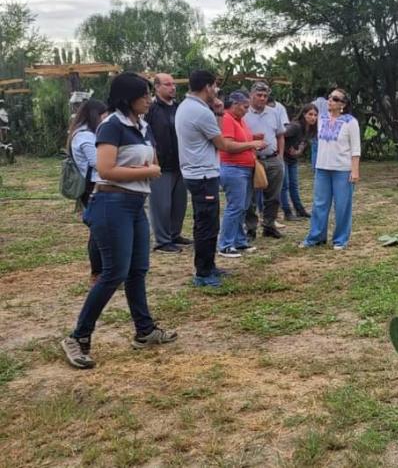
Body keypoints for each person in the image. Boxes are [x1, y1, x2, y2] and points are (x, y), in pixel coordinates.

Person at [61, 72, 176, 369]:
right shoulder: (112, 125)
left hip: (136, 204)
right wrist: (147, 172)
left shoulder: (142, 125)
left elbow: (152, 161)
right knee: (113, 273)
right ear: (128, 97)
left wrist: (149, 168)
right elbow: (106, 169)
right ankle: (78, 336)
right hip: (112, 203)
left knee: (137, 270)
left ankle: (145, 331)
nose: (149, 100)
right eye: (144, 95)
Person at [176, 70, 264, 287]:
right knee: (206, 226)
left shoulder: (186, 107)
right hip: (203, 174)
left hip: (195, 171)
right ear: (207, 87)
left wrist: (216, 111)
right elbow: (222, 144)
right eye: (214, 86)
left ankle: (208, 266)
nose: (216, 90)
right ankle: (204, 273)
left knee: (205, 223)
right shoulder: (199, 111)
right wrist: (252, 144)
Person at [300, 88, 360, 250]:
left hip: (342, 169)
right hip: (322, 168)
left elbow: (355, 149)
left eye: (335, 98)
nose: (330, 101)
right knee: (319, 204)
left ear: (343, 104)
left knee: (342, 205)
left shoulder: (350, 122)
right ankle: (316, 237)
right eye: (329, 97)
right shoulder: (322, 118)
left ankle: (340, 239)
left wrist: (354, 171)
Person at [146, 73, 190, 253]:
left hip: (180, 164)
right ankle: (162, 241)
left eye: (173, 84)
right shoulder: (151, 110)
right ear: (156, 87)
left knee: (179, 203)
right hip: (161, 165)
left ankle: (174, 234)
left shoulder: (179, 108)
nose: (172, 87)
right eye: (167, 84)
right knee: (161, 204)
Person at [67, 99, 109, 286]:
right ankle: (97, 272)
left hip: (95, 185)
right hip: (93, 187)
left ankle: (103, 270)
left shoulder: (84, 133)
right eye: (103, 115)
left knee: (101, 229)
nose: (106, 119)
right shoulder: (85, 136)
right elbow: (97, 162)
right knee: (97, 231)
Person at [217, 91, 258, 257]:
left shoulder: (239, 120)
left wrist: (254, 138)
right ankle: (225, 244)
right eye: (245, 106)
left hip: (245, 168)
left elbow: (242, 140)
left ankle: (239, 241)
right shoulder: (227, 119)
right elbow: (227, 145)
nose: (247, 110)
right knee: (235, 207)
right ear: (234, 105)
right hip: (234, 168)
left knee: (242, 207)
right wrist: (252, 143)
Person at [243, 82, 286, 239]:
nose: (262, 98)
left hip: (273, 158)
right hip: (253, 159)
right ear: (251, 95)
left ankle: (269, 225)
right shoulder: (244, 113)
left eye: (265, 96)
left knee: (274, 196)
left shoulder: (274, 112)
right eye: (259, 95)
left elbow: (280, 135)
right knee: (250, 197)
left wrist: (280, 156)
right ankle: (251, 227)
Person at [280, 105, 316, 221]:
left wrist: (299, 151)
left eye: (315, 115)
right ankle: (287, 212)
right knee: (284, 186)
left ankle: (299, 209)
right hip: (283, 158)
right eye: (310, 114)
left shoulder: (310, 129)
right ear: (304, 114)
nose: (313, 117)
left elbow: (304, 143)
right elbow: (280, 134)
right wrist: (282, 150)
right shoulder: (295, 126)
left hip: (292, 159)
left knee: (294, 186)